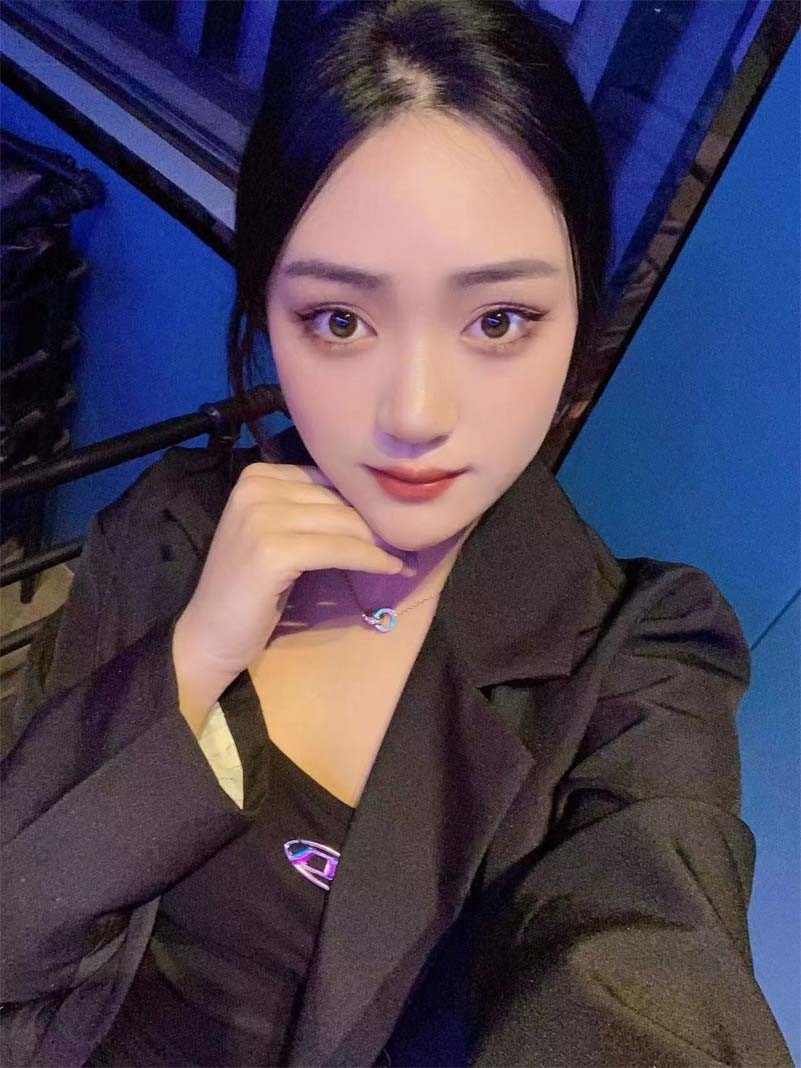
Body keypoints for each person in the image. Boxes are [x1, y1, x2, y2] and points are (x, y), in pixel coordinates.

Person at [0, 1, 792, 1065]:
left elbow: (648, 962)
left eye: (497, 321)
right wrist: (191, 658)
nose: (415, 413)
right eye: (340, 320)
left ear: (579, 325)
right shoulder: (171, 526)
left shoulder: (637, 667)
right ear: (267, 314)